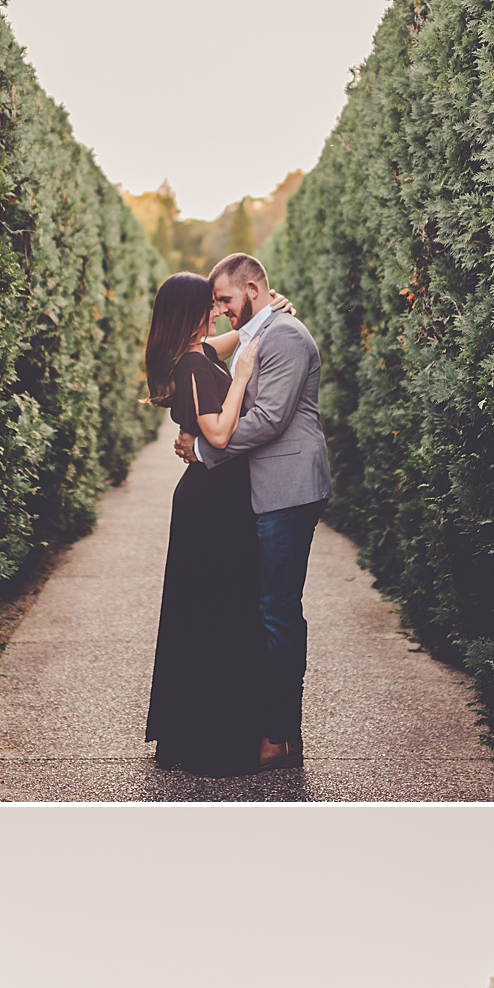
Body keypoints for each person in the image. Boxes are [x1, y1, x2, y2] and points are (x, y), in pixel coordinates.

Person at [175, 254, 332, 770]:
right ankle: (274, 728)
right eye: (216, 303)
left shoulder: (284, 336)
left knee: (278, 612)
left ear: (251, 287)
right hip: (267, 490)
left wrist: (202, 448)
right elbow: (204, 353)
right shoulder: (257, 331)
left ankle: (283, 735)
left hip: (287, 488)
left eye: (225, 299)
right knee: (268, 609)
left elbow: (267, 419)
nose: (220, 310)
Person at [142, 271, 272, 774]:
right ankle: (212, 740)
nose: (218, 311)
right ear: (191, 312)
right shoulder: (194, 363)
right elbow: (217, 433)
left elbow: (228, 339)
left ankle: (193, 731)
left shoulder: (195, 355)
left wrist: (263, 316)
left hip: (209, 503)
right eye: (209, 304)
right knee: (218, 613)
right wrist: (242, 379)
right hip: (213, 507)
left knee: (203, 613)